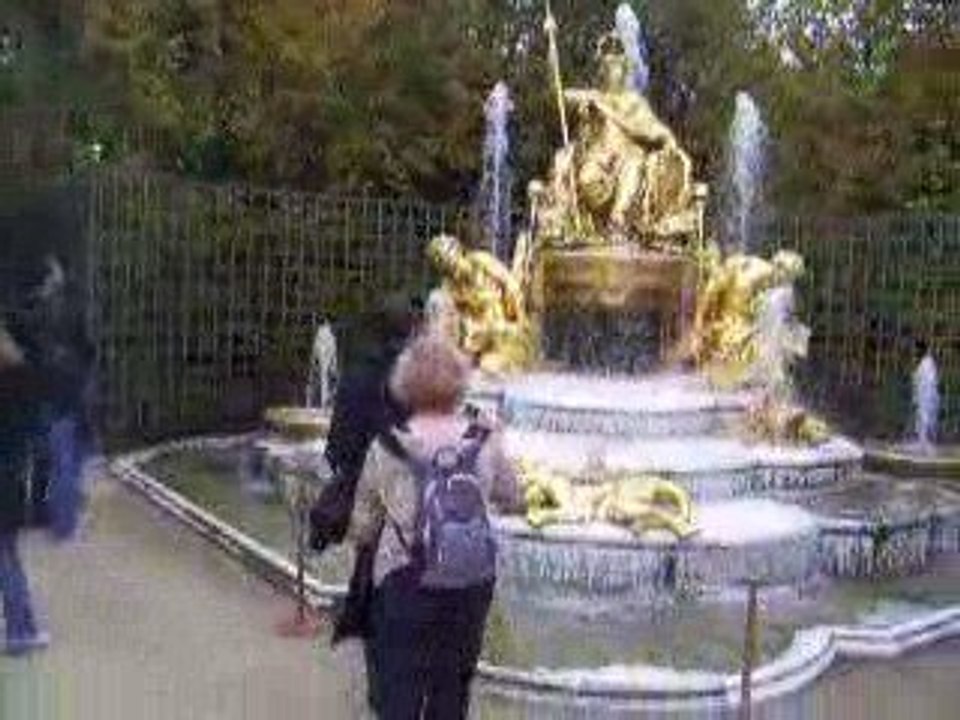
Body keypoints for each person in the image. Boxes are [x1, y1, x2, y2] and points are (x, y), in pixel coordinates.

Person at [348, 334, 521, 719]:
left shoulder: (389, 446)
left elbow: (362, 525)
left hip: (405, 580)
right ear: (460, 383)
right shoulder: (483, 437)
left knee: (400, 687)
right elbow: (511, 496)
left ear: (404, 385)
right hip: (470, 580)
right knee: (452, 689)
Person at [0, 316, 49, 655]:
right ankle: (21, 629)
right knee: (7, 554)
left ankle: (21, 627)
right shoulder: (20, 380)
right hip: (8, 474)